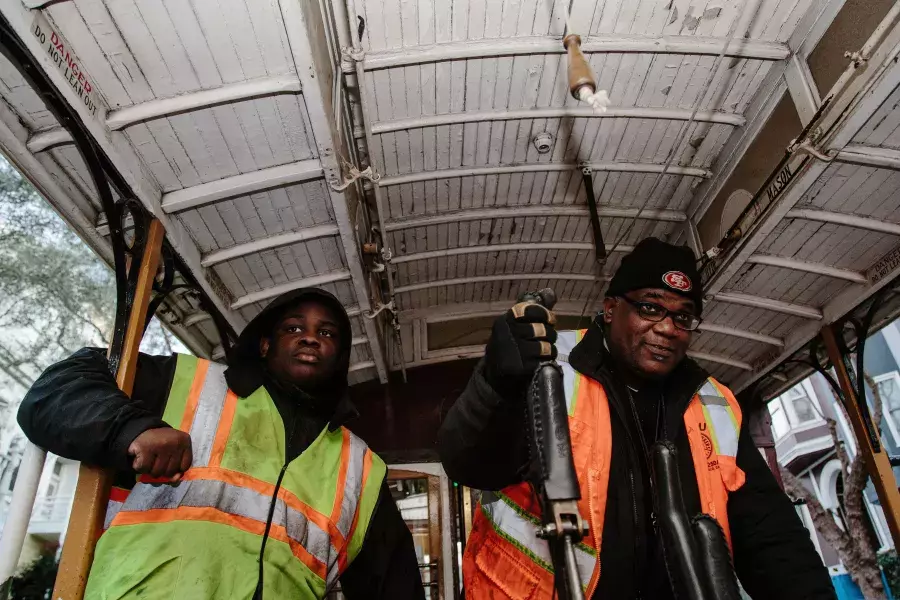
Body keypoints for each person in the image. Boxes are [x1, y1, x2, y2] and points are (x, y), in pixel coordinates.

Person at [438, 238, 836, 599]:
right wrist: (495, 383)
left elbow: (771, 537)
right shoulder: (548, 366)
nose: (666, 327)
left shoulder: (714, 402)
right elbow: (469, 462)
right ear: (611, 309)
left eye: (684, 316)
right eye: (650, 307)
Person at [19, 287, 424, 600]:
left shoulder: (361, 467)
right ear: (265, 345)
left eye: (327, 333)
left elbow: (393, 582)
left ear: (339, 357)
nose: (310, 339)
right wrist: (133, 429)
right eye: (294, 328)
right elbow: (56, 390)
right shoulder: (187, 382)